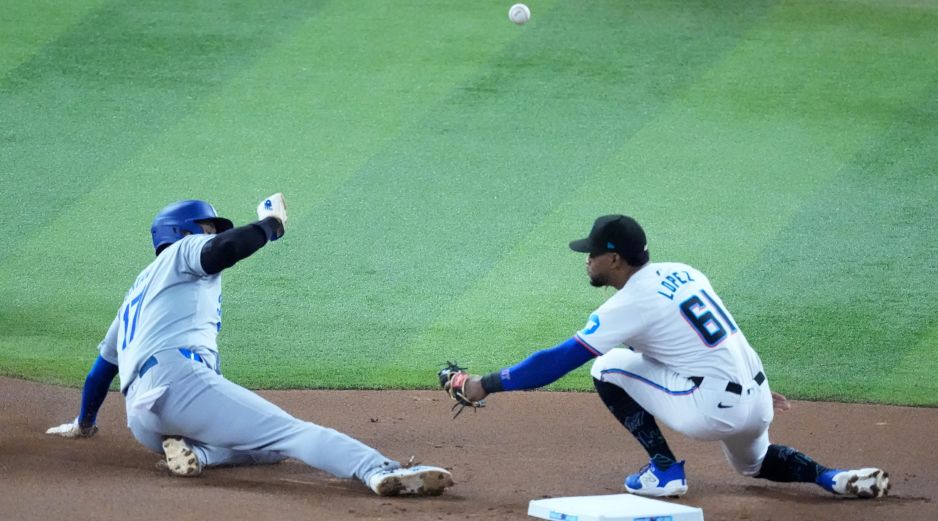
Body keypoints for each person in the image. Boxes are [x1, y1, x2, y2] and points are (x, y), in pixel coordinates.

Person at [449, 214, 889, 499]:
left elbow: (556, 361)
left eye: (593, 255)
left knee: (606, 366)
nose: (586, 261)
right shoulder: (684, 271)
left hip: (712, 407)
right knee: (754, 464)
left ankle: (664, 470)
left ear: (615, 259)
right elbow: (712, 339)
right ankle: (831, 477)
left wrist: (482, 384)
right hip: (756, 394)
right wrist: (756, 393)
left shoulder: (628, 303)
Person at [47, 195, 453, 497]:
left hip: (142, 420)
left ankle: (199, 454)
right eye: (206, 228)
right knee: (289, 433)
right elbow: (224, 250)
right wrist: (269, 227)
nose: (214, 235)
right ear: (180, 232)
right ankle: (378, 470)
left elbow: (102, 369)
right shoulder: (181, 254)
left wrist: (84, 423)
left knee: (266, 449)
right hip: (179, 382)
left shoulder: (135, 294)